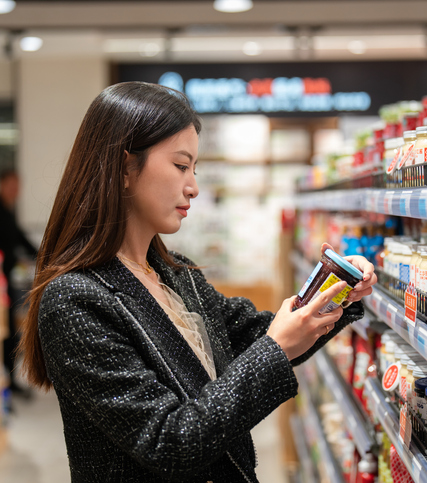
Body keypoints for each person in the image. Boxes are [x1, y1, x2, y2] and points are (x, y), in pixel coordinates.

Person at [20, 82, 378, 483]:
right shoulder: (76, 301)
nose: (192, 186)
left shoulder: (177, 276)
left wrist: (337, 291)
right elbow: (169, 442)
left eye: (195, 169)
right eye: (179, 165)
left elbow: (255, 334)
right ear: (123, 168)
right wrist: (276, 348)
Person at [0, 169, 38, 394]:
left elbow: (20, 238)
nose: (15, 190)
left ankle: (9, 380)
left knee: (11, 331)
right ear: (1, 185)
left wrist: (43, 256)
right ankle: (2, 381)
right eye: (11, 185)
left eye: (18, 186)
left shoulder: (8, 210)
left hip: (5, 280)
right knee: (2, 332)